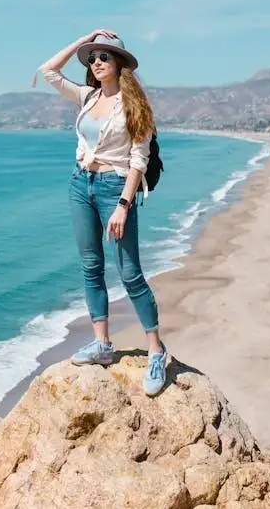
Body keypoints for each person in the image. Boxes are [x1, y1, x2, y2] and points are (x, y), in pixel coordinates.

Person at [37, 28, 167, 396]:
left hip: (115, 188)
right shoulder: (86, 97)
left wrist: (124, 205)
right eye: (92, 58)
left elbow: (138, 160)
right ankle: (103, 345)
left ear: (119, 64)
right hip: (81, 185)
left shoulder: (134, 106)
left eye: (103, 56)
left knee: (129, 272)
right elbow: (48, 71)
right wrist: (83, 39)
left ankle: (156, 349)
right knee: (91, 266)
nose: (95, 62)